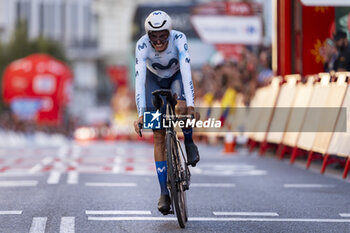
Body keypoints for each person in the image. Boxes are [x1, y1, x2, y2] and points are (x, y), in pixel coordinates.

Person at [133, 10, 200, 215]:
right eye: (154, 36)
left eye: (163, 35)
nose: (159, 40)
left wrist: (191, 105)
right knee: (158, 136)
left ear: (170, 33)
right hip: (153, 81)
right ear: (148, 35)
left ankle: (188, 142)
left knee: (181, 108)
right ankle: (164, 193)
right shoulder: (142, 45)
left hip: (176, 77)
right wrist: (141, 113)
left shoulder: (180, 39)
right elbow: (139, 79)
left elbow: (187, 70)